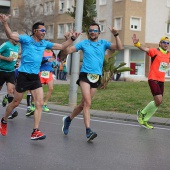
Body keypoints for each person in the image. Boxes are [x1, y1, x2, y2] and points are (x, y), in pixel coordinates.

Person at [0, 14, 80, 140]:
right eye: (42, 30)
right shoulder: (26, 40)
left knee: (39, 103)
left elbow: (61, 46)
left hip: (35, 77)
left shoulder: (44, 43)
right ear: (35, 31)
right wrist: (5, 22)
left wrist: (72, 39)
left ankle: (35, 131)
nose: (44, 32)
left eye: (45, 31)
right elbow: (11, 35)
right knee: (15, 103)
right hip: (23, 76)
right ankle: (4, 120)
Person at [62, 22, 123, 142]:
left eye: (95, 30)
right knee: (88, 103)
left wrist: (116, 35)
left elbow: (120, 47)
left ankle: (68, 119)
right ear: (88, 33)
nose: (92, 32)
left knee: (83, 104)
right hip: (85, 75)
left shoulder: (103, 43)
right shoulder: (84, 43)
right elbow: (68, 51)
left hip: (96, 76)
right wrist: (68, 39)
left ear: (99, 32)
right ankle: (88, 130)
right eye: (90, 30)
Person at [132, 34, 170, 129]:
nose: (166, 44)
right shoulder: (155, 51)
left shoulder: (168, 54)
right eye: (164, 42)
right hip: (153, 79)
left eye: (168, 43)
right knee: (159, 100)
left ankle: (144, 119)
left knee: (158, 102)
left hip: (161, 80)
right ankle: (142, 113)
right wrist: (137, 44)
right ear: (160, 44)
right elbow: (145, 49)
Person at [0, 39, 20, 119]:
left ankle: (12, 111)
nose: (17, 41)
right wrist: (6, 58)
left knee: (11, 91)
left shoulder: (17, 47)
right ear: (11, 38)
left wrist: (16, 62)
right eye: (15, 39)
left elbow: (15, 57)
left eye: (18, 40)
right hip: (1, 71)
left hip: (11, 72)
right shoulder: (6, 45)